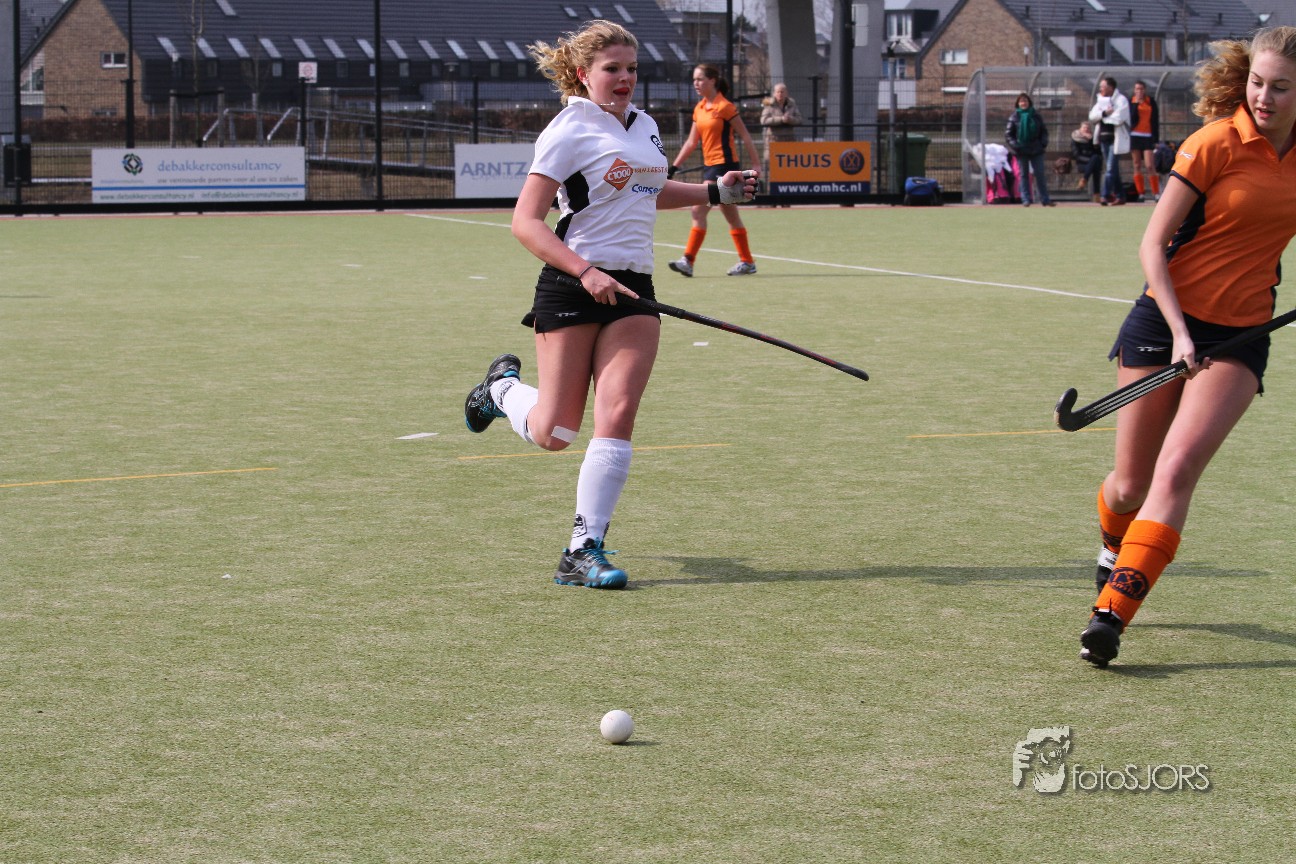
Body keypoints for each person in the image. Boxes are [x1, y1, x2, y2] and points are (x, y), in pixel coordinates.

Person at [462, 20, 757, 590]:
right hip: (571, 283)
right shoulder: (569, 129)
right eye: (612, 69)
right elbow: (525, 222)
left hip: (635, 289)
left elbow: (648, 190)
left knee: (617, 413)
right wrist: (585, 270)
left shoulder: (644, 125)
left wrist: (713, 191)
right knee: (555, 433)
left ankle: (582, 550)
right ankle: (499, 391)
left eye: (632, 69)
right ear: (583, 74)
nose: (625, 78)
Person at [1078, 25, 1296, 666]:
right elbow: (1152, 245)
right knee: (1129, 484)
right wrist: (1178, 333)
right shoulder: (1214, 143)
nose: (1264, 97)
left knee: (1176, 472)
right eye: (1258, 82)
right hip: (1163, 322)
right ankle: (1113, 547)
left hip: (1240, 334)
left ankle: (1109, 617)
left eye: (1282, 87)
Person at [667, 64, 762, 277]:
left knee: (698, 210)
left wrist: (756, 165)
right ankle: (747, 261)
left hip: (725, 166)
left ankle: (688, 260)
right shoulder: (699, 108)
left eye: (700, 79)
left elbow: (746, 136)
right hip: (711, 167)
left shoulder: (725, 107)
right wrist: (674, 167)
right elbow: (691, 142)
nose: (696, 83)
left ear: (712, 80)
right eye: (694, 79)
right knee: (731, 216)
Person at [1005, 92, 1054, 206]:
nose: (1024, 103)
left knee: (1040, 174)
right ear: (1018, 104)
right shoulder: (1014, 117)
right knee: (1023, 175)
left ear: (1029, 103)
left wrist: (1042, 144)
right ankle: (1026, 199)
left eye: (1025, 101)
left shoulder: (1036, 116)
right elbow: (1008, 135)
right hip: (1021, 150)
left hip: (1036, 149)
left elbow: (1044, 132)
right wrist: (1016, 146)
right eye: (1021, 101)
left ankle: (1045, 199)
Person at [1088, 76, 1130, 205]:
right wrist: (1105, 114)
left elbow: (1119, 118)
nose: (1100, 89)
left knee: (1110, 168)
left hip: (1115, 139)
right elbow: (1092, 116)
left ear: (1110, 87)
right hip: (1103, 139)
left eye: (1103, 86)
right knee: (1112, 168)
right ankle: (1120, 195)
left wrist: (1103, 117)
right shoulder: (1101, 101)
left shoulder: (1121, 100)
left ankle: (1104, 195)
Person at [759, 82, 802, 182]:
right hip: (773, 141)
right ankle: (769, 188)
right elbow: (764, 120)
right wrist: (780, 119)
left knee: (789, 168)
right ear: (774, 93)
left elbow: (799, 119)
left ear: (786, 93)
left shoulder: (792, 104)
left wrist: (790, 119)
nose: (780, 94)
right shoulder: (769, 104)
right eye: (778, 92)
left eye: (782, 92)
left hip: (789, 141)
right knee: (770, 168)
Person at [1129, 80, 1162, 201]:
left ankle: (1156, 193)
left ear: (1145, 90)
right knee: (1137, 164)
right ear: (1134, 90)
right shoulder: (1131, 101)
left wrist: (1156, 139)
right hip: (1134, 135)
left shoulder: (1150, 101)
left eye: (1141, 89)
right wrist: (1135, 104)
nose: (1139, 91)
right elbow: (1131, 118)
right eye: (1137, 89)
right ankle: (1141, 193)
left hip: (1148, 136)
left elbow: (1155, 121)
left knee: (1149, 165)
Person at [1070, 120, 1102, 202]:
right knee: (1095, 164)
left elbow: (1098, 152)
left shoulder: (1093, 138)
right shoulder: (1075, 138)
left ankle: (1084, 179)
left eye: (1088, 128)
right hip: (1082, 164)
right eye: (1084, 128)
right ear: (1080, 128)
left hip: (1093, 162)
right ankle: (1097, 195)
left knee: (1096, 162)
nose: (1086, 129)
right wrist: (1090, 161)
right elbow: (1076, 155)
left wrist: (1093, 141)